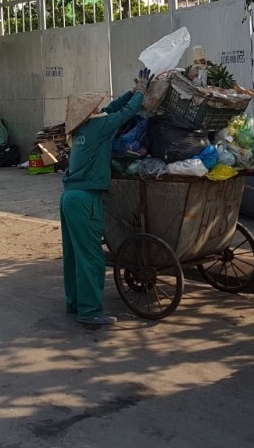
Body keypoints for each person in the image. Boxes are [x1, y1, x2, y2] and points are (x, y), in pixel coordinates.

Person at [60, 67, 152, 327]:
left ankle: (75, 303)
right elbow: (124, 114)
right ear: (90, 113)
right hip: (85, 200)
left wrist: (133, 90)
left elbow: (113, 109)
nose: (100, 109)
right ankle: (89, 312)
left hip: (69, 197)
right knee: (91, 257)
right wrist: (141, 93)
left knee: (74, 255)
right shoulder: (99, 127)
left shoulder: (82, 130)